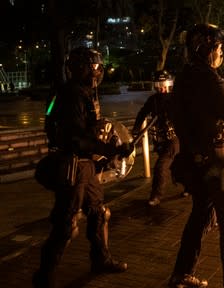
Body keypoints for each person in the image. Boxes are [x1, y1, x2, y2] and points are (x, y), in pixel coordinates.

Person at [33, 46, 133, 288]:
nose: (98, 71)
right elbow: (76, 137)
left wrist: (109, 141)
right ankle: (44, 279)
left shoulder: (80, 92)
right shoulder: (72, 94)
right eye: (95, 66)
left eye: (99, 66)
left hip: (84, 165)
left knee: (99, 212)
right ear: (82, 68)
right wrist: (112, 151)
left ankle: (101, 259)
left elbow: (89, 130)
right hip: (73, 165)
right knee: (66, 224)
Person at [168, 23, 224, 288]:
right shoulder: (208, 77)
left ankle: (182, 274)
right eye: (219, 47)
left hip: (194, 161)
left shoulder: (185, 76)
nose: (221, 53)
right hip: (215, 165)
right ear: (207, 49)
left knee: (201, 216)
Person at [132, 70, 180, 206]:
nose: (162, 87)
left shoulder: (175, 99)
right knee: (175, 166)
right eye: (159, 84)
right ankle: (187, 185)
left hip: (173, 139)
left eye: (164, 84)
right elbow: (142, 112)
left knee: (161, 166)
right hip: (159, 140)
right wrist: (136, 129)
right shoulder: (153, 100)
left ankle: (156, 196)